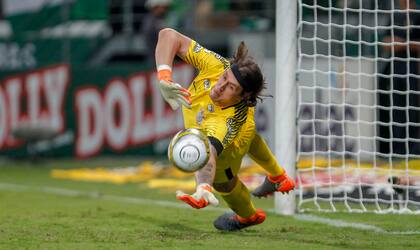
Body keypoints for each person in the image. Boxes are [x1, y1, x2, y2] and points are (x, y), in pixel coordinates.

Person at [154, 28, 295, 231]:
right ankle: (278, 176)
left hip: (235, 135)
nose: (220, 86)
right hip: (245, 124)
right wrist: (164, 77)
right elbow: (168, 35)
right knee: (251, 138)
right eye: (224, 78)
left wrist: (203, 186)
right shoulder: (217, 65)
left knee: (223, 182)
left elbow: (208, 152)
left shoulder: (226, 121)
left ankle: (248, 216)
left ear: (243, 96)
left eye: (230, 87)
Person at [378, 0, 420, 156]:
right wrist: (408, 44)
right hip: (396, 70)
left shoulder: (417, 16)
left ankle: (414, 151)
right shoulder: (395, 17)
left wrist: (401, 43)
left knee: (413, 111)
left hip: (414, 70)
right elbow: (386, 43)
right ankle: (397, 151)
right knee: (396, 111)